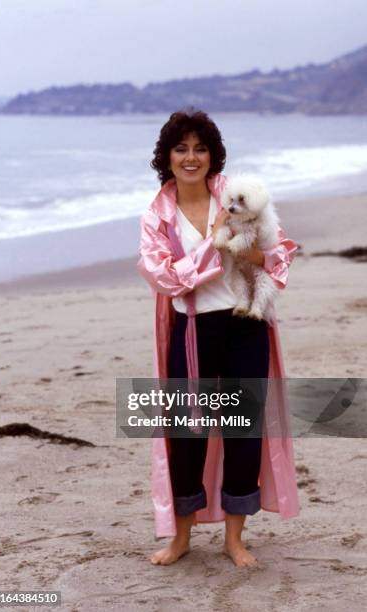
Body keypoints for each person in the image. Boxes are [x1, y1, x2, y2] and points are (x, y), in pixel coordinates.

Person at [137, 109, 299, 567]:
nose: (192, 157)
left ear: (213, 155)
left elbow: (280, 254)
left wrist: (254, 254)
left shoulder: (236, 195)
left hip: (246, 324)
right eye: (181, 148)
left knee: (242, 432)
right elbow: (166, 279)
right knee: (186, 434)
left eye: (201, 148)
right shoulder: (156, 216)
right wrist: (214, 244)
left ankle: (234, 537)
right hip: (192, 329)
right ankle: (181, 537)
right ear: (166, 157)